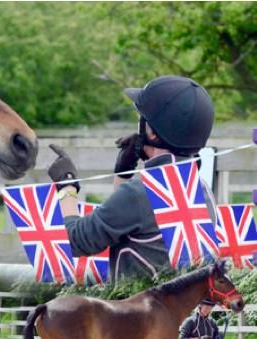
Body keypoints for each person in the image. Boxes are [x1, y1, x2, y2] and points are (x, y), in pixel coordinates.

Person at [46, 75, 216, 281]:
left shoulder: (139, 193)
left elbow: (73, 241)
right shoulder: (202, 189)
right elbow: (129, 223)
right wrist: (124, 172)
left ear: (152, 133)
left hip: (136, 312)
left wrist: (67, 186)